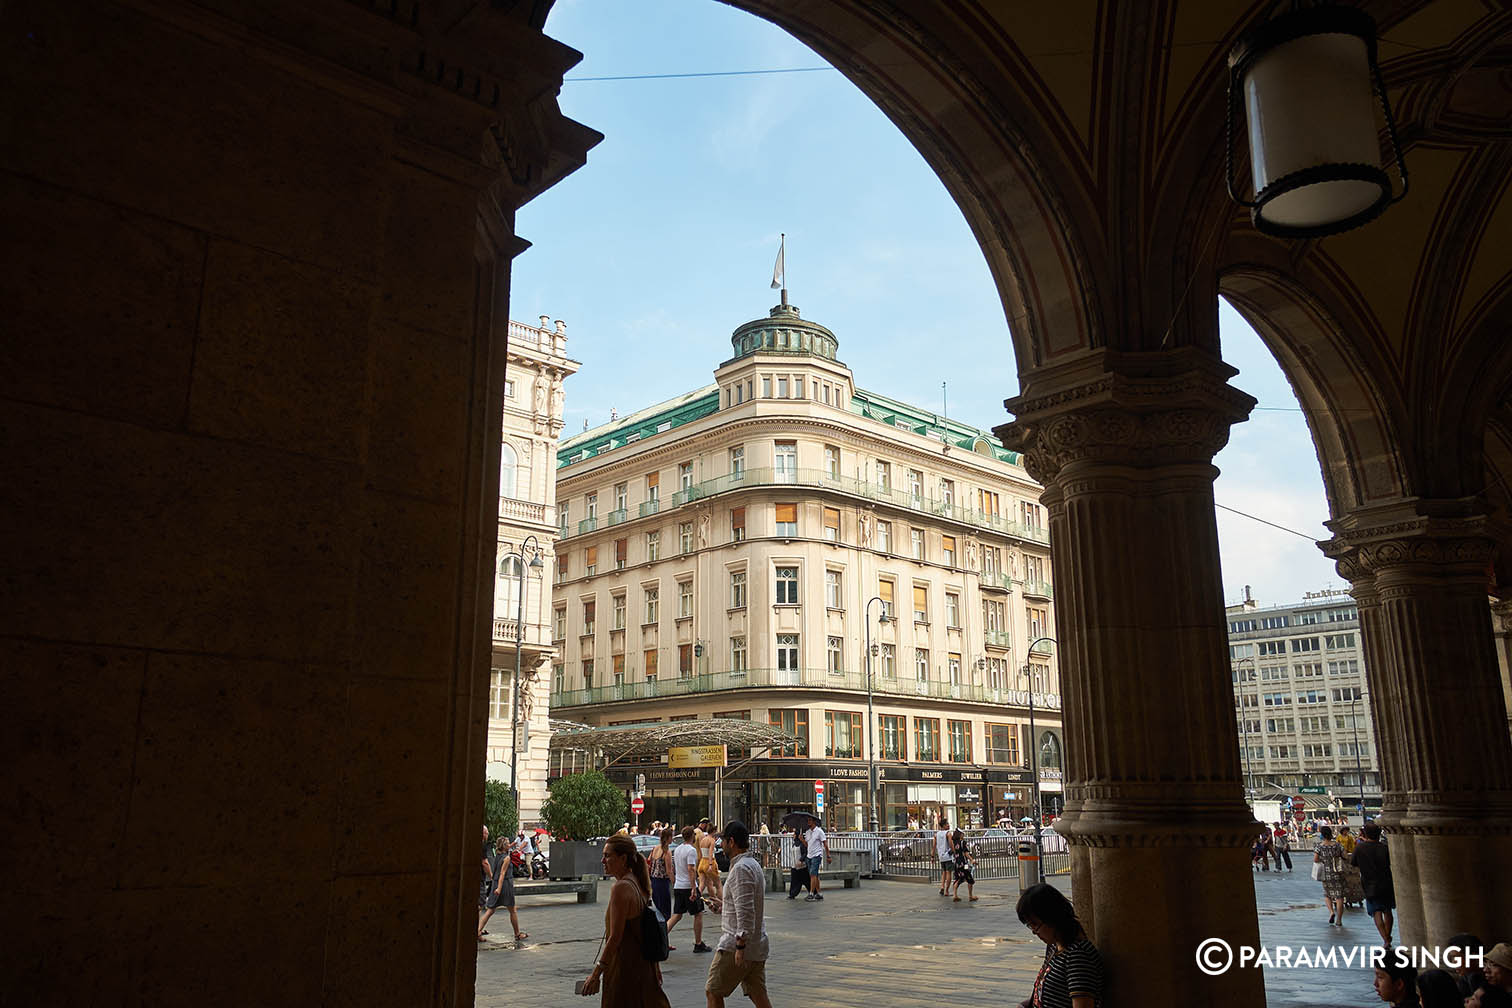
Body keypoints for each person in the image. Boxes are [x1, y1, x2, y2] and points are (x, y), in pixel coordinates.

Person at [577, 834, 672, 1008]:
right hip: (643, 967)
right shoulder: (637, 883)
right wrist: (655, 966)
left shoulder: (621, 888)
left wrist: (596, 973)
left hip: (625, 970)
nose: (603, 860)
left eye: (607, 856)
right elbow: (646, 931)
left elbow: (615, 938)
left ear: (623, 859)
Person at [705, 821, 773, 1008]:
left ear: (732, 842)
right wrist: (722, 906)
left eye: (724, 840)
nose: (721, 844)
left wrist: (740, 946)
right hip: (757, 944)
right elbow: (742, 904)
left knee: (713, 991)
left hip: (736, 946)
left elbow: (746, 912)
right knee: (758, 994)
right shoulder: (752, 865)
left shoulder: (742, 869)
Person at [1015, 882, 1104, 1008]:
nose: (1034, 932)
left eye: (1035, 924)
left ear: (1052, 918)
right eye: (1030, 925)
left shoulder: (1078, 956)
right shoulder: (1054, 947)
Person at [666, 825, 712, 954]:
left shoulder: (678, 849)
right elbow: (691, 869)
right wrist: (693, 888)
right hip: (688, 886)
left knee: (677, 915)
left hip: (679, 886)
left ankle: (661, 938)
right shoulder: (691, 850)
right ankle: (698, 943)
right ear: (693, 836)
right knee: (698, 913)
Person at [1351, 821, 1395, 944]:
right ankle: (1388, 936)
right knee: (1387, 910)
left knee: (1376, 912)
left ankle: (1385, 939)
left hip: (1369, 883)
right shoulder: (1384, 847)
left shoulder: (1360, 848)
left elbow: (1353, 862)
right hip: (1386, 881)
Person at [479, 835, 527, 941]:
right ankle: (517, 934)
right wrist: (499, 888)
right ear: (505, 846)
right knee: (512, 910)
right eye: (508, 843)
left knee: (490, 910)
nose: (510, 845)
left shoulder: (498, 856)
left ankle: (478, 931)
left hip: (495, 883)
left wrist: (495, 885)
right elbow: (502, 874)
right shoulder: (506, 858)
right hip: (505, 885)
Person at [1313, 824, 1347, 927]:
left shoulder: (1319, 846)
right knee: (1339, 897)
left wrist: (1323, 860)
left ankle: (1331, 912)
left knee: (1327, 894)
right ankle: (1339, 920)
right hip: (1337, 872)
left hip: (1326, 873)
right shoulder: (1337, 845)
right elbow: (1345, 855)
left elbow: (1315, 859)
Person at [1448, 933, 1488, 999]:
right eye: (1451, 958)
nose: (1453, 962)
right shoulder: (1465, 981)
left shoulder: (1492, 983)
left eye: (1455, 957)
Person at [648, 828, 674, 926]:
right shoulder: (666, 852)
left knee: (658, 909)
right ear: (668, 838)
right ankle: (663, 935)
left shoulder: (655, 848)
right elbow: (669, 871)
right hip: (663, 882)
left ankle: (659, 933)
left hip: (654, 881)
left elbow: (649, 862)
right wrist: (674, 883)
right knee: (665, 912)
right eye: (671, 836)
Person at [802, 815, 829, 901]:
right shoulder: (807, 832)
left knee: (813, 874)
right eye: (808, 820)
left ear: (814, 821)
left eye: (810, 820)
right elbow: (807, 845)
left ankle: (811, 893)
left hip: (817, 855)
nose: (808, 822)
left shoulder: (819, 831)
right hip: (809, 855)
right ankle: (818, 893)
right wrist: (802, 840)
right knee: (814, 875)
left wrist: (828, 855)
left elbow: (825, 843)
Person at [949, 828, 977, 902]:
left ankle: (955, 895)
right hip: (964, 864)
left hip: (956, 863)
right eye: (962, 834)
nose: (963, 835)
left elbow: (952, 852)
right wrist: (972, 860)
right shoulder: (962, 843)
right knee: (969, 878)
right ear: (960, 834)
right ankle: (970, 896)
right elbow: (966, 853)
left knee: (958, 878)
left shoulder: (953, 843)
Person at [698, 820, 722, 904]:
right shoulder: (711, 840)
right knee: (718, 884)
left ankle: (696, 901)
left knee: (703, 884)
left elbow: (701, 853)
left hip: (702, 862)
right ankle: (719, 902)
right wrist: (711, 864)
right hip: (709, 862)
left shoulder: (703, 840)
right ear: (714, 831)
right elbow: (711, 853)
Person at [787, 825, 809, 900]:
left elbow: (805, 853)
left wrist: (801, 860)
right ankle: (792, 894)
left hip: (801, 866)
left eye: (794, 834)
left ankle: (813, 892)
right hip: (794, 866)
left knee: (806, 880)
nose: (793, 835)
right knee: (794, 881)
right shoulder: (794, 844)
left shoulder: (801, 844)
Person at [936, 817, 954, 895]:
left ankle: (942, 887)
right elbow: (950, 843)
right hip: (948, 855)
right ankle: (947, 890)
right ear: (943, 826)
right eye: (947, 824)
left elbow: (934, 845)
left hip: (941, 856)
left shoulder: (937, 834)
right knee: (949, 872)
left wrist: (932, 856)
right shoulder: (948, 833)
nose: (948, 825)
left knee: (943, 872)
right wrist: (953, 850)